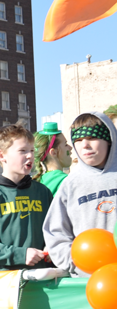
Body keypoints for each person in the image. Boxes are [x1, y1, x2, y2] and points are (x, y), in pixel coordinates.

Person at [0, 123, 54, 271]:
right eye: (22, 151)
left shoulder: (43, 192)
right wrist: (21, 254)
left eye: (32, 151)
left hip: (39, 281)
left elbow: (55, 231)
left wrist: (52, 247)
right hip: (2, 283)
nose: (30, 156)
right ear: (1, 156)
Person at [43, 111, 117, 276]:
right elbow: (55, 233)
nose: (85, 145)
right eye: (78, 140)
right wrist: (75, 263)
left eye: (92, 138)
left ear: (109, 140)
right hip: (89, 280)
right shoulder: (70, 184)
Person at [33, 122, 73, 196]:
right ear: (53, 152)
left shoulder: (36, 182)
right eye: (65, 144)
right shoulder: (67, 182)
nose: (70, 148)